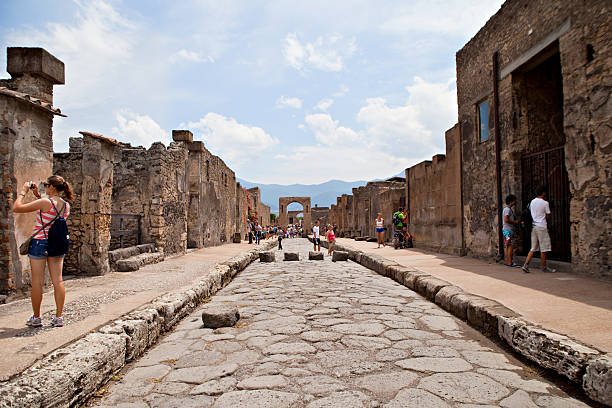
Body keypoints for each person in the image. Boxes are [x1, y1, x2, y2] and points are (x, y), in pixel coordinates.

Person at [11, 175, 73, 328]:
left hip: (40, 242)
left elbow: (16, 208)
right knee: (58, 281)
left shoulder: (45, 202)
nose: (44, 187)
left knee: (37, 282)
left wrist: (23, 192)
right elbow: (50, 211)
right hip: (57, 243)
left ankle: (37, 318)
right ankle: (58, 318)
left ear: (51, 187)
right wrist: (38, 196)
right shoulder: (66, 205)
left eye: (46, 185)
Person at [522, 186, 556, 273]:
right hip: (542, 226)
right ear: (543, 193)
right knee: (543, 248)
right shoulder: (545, 203)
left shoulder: (532, 202)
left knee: (533, 247)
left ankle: (526, 265)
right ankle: (544, 267)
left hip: (534, 226)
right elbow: (548, 215)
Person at [502, 194, 520, 267]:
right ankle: (510, 262)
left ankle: (509, 261)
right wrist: (514, 222)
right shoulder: (507, 209)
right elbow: (506, 220)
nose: (515, 202)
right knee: (510, 246)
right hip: (508, 230)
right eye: (514, 201)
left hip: (507, 230)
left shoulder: (507, 209)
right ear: (511, 201)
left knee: (508, 246)